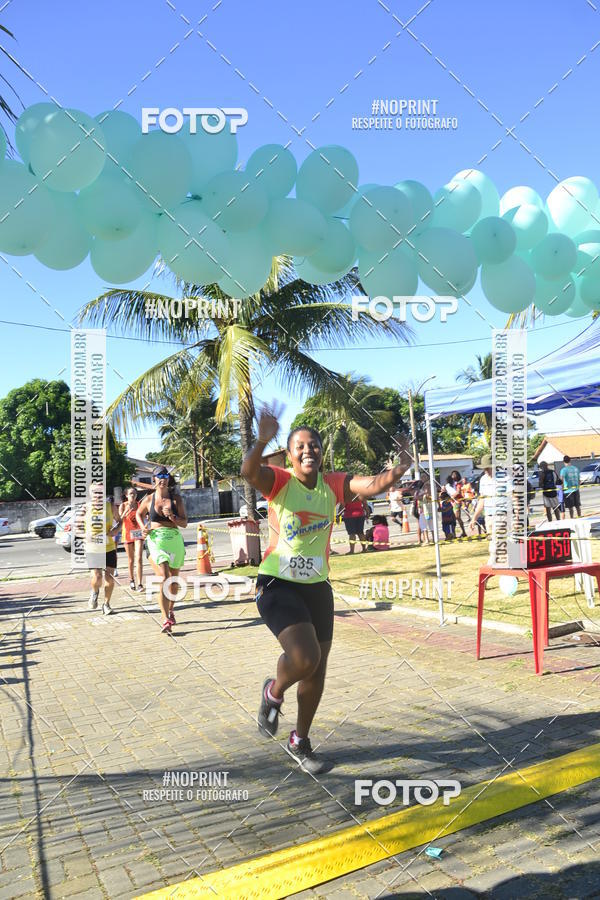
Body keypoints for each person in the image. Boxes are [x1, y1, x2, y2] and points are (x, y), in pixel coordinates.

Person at [241, 403, 412, 773]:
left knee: (317, 672)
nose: (308, 451)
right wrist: (260, 440)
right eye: (300, 446)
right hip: (277, 583)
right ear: (290, 454)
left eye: (314, 445)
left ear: (322, 452)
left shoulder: (333, 484)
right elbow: (248, 471)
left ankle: (300, 741)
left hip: (318, 587)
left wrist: (402, 463)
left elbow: (375, 485)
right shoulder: (280, 481)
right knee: (305, 659)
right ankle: (273, 692)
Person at [136, 467, 188, 634]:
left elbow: (185, 523)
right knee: (164, 577)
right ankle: (165, 619)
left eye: (165, 476)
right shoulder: (149, 499)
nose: (162, 479)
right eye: (159, 476)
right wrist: (143, 527)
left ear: (168, 479)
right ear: (154, 479)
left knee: (173, 581)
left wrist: (173, 517)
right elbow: (138, 513)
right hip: (155, 539)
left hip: (174, 538)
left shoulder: (176, 499)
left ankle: (171, 610)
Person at [76, 483, 121, 615]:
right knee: (97, 577)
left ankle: (106, 604)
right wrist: (85, 535)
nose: (98, 495)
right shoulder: (85, 508)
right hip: (93, 548)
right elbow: (76, 529)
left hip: (109, 546)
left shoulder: (110, 506)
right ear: (90, 494)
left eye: (100, 492)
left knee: (110, 578)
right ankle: (95, 591)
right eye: (95, 492)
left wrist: (115, 531)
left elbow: (120, 521)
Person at [119, 487, 144, 591]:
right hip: (127, 534)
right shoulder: (123, 505)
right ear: (126, 495)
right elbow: (119, 519)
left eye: (134, 493)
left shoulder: (140, 505)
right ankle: (131, 580)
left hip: (137, 532)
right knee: (131, 560)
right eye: (130, 494)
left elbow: (143, 517)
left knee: (139, 558)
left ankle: (140, 583)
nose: (133, 495)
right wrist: (126, 511)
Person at [445, 472, 467, 538]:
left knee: (457, 517)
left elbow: (458, 492)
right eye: (452, 474)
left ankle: (463, 532)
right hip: (451, 502)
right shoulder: (450, 485)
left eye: (454, 475)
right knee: (453, 518)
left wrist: (452, 497)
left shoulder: (458, 484)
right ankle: (454, 534)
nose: (453, 476)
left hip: (457, 502)